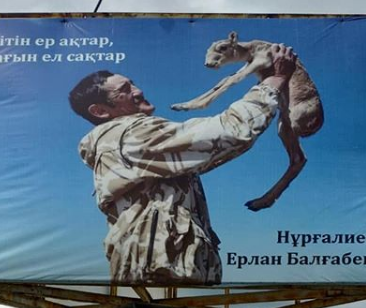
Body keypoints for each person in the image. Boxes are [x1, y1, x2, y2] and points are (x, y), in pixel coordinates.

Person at [68, 45, 297, 285]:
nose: (138, 91)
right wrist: (274, 80)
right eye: (125, 90)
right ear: (100, 111)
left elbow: (214, 152)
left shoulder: (123, 145)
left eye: (132, 84)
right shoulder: (130, 134)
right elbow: (229, 132)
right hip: (157, 274)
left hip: (159, 271)